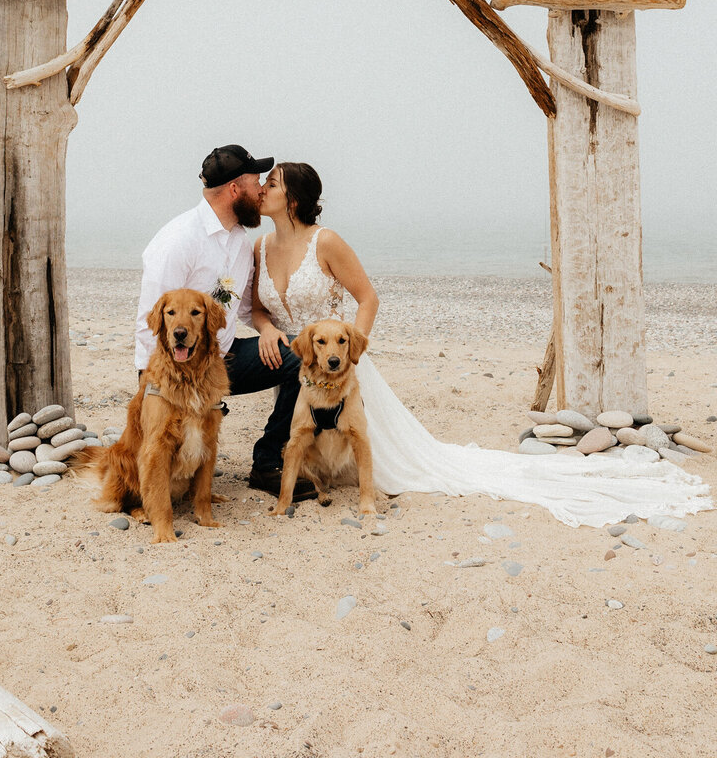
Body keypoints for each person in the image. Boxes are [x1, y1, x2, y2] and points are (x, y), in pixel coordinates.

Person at [254, 162, 712, 529]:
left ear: (292, 197)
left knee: (396, 459)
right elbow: (257, 309)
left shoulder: (326, 241)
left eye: (269, 183)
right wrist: (267, 330)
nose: (261, 189)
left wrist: (353, 351)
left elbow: (368, 297)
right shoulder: (262, 246)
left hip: (341, 363)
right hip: (299, 365)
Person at [134, 144, 317, 501]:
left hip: (224, 358)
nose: (262, 189)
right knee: (162, 450)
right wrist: (147, 385)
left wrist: (266, 331)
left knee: (298, 356)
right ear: (235, 189)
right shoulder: (178, 241)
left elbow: (242, 307)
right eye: (256, 182)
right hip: (176, 368)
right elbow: (149, 320)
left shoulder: (238, 240)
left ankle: (266, 462)